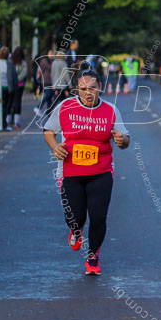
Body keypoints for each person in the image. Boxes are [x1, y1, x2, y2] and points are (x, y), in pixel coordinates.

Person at [43, 70, 130, 275]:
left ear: (100, 87)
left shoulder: (111, 110)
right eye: (83, 89)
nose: (88, 93)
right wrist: (55, 147)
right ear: (76, 90)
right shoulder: (65, 107)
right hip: (70, 171)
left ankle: (93, 257)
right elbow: (48, 131)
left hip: (101, 170)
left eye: (92, 88)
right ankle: (75, 230)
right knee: (75, 217)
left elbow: (125, 139)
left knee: (98, 216)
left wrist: (121, 141)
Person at [11, 47, 28, 128]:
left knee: (10, 102)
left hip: (11, 84)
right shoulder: (23, 63)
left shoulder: (11, 62)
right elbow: (24, 73)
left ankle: (8, 120)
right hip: (20, 84)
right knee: (17, 102)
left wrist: (13, 79)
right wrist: (18, 80)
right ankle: (16, 122)